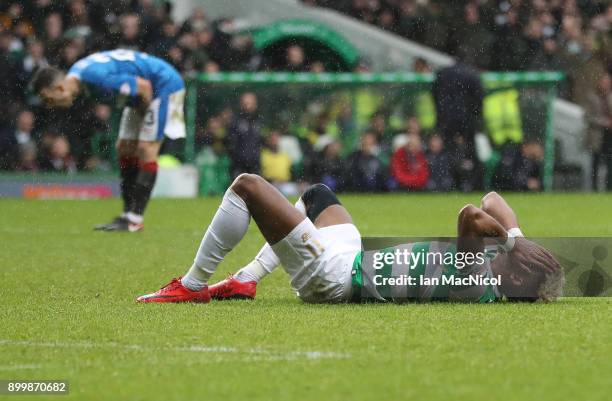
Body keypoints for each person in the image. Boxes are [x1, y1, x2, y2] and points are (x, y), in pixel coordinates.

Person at [137, 175, 563, 304]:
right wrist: (517, 237)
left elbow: (472, 213)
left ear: (518, 269)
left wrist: (511, 241)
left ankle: (191, 286)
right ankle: (246, 278)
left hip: (333, 276)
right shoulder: (493, 275)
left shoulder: (479, 284)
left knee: (247, 187)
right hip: (354, 256)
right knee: (318, 196)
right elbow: (492, 197)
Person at [30, 49, 186, 232]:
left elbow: (144, 87)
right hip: (140, 97)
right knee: (124, 148)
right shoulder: (78, 76)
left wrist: (145, 123)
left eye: (49, 99)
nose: (50, 105)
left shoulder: (95, 78)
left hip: (163, 84)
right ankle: (127, 216)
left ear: (60, 88)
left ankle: (135, 220)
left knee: (145, 148)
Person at [225, 92, 263, 178]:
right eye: (245, 103)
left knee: (255, 189)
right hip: (238, 164)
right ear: (241, 104)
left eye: (250, 103)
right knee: (238, 189)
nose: (248, 106)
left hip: (255, 163)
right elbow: (230, 142)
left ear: (255, 104)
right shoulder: (235, 121)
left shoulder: (260, 121)